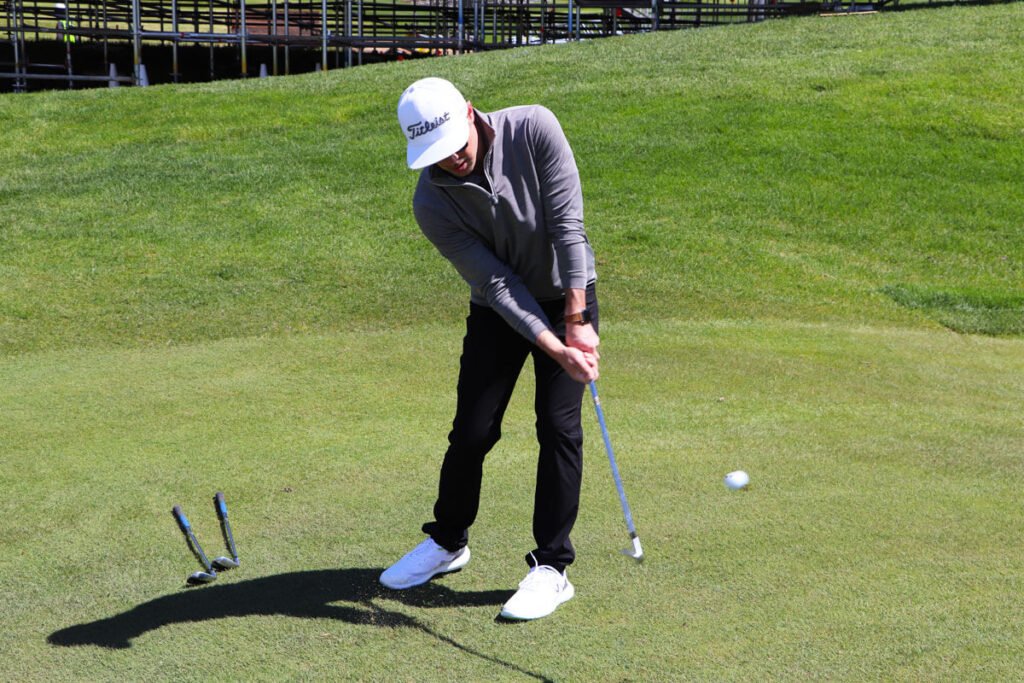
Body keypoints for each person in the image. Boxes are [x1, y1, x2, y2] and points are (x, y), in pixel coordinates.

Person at [380, 77, 600, 621]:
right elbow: (498, 284)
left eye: (456, 144)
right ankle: (447, 542)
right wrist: (552, 348)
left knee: (558, 426)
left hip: (568, 296)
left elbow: (568, 227)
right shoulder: (431, 203)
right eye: (437, 152)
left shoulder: (534, 127)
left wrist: (575, 323)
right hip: (499, 308)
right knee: (472, 430)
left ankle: (552, 566)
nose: (451, 158)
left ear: (471, 114)